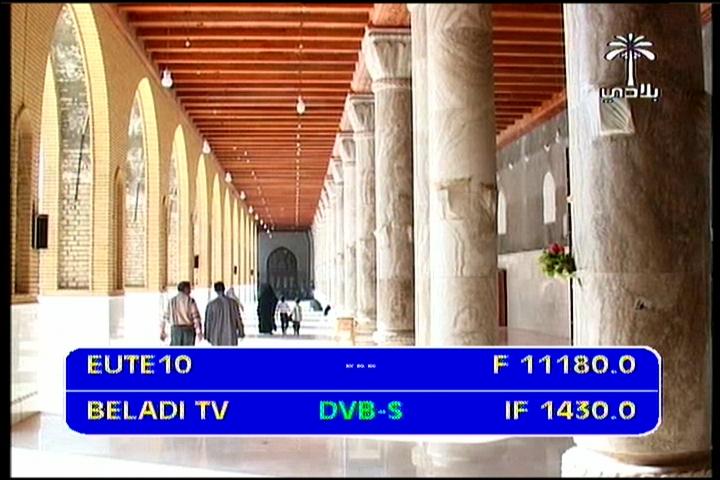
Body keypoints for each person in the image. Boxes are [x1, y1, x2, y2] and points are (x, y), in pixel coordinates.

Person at [160, 281, 202, 346]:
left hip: (175, 330)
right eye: (189, 288)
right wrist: (199, 331)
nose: (190, 291)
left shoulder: (172, 301)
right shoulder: (190, 301)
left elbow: (165, 317)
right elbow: (195, 317)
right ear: (185, 289)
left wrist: (162, 330)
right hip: (188, 330)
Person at [204, 282, 244, 346]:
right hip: (231, 334)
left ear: (215, 290)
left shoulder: (211, 305)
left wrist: (207, 335)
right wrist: (241, 331)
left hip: (216, 335)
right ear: (224, 289)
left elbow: (208, 322)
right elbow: (238, 318)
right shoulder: (233, 303)